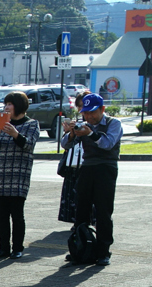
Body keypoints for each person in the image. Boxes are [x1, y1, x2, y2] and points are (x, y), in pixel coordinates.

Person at [62, 93, 121, 266]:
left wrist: (91, 134)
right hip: (87, 168)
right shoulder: (84, 125)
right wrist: (72, 133)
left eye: (92, 112)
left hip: (106, 169)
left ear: (102, 109)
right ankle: (80, 249)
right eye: (85, 113)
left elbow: (108, 143)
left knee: (103, 211)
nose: (89, 117)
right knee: (81, 209)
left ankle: (103, 252)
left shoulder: (113, 124)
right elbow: (65, 145)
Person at [0, 91, 39, 260]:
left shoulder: (31, 124)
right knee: (1, 216)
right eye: (6, 104)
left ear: (20, 106)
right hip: (1, 174)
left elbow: (28, 144)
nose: (7, 107)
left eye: (10, 104)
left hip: (18, 175)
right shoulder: (3, 123)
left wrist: (15, 133)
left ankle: (17, 247)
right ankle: (3, 248)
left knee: (17, 214)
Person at [58, 93, 90, 225]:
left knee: (87, 195)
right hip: (74, 164)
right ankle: (76, 221)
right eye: (80, 106)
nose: (83, 109)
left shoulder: (96, 123)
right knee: (72, 194)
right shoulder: (77, 123)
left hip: (88, 165)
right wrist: (70, 132)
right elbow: (65, 144)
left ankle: (86, 221)